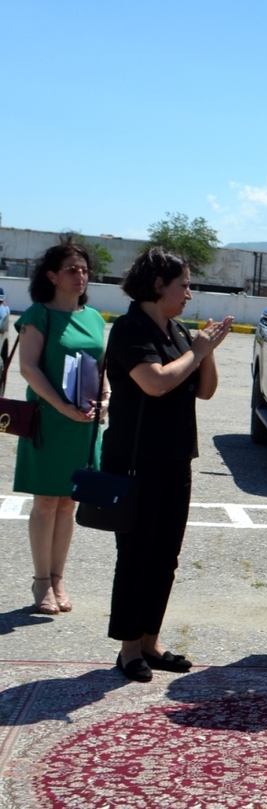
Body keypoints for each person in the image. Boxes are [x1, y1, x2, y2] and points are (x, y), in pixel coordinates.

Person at [104, 247, 234, 682]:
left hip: (176, 459)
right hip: (135, 461)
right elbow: (155, 383)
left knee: (166, 556)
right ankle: (127, 649)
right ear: (158, 285)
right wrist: (195, 352)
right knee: (137, 554)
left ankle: (150, 640)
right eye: (184, 284)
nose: (190, 294)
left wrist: (207, 350)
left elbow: (206, 391)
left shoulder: (177, 330)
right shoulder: (129, 329)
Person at [14, 239, 108, 615]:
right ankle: (41, 582)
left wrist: (105, 399)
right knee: (46, 502)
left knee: (69, 503)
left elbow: (102, 368)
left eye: (84, 269)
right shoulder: (39, 314)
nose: (80, 275)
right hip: (48, 419)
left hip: (83, 421)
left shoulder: (95, 318)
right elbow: (29, 367)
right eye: (71, 269)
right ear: (52, 275)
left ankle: (58, 578)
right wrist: (61, 407)